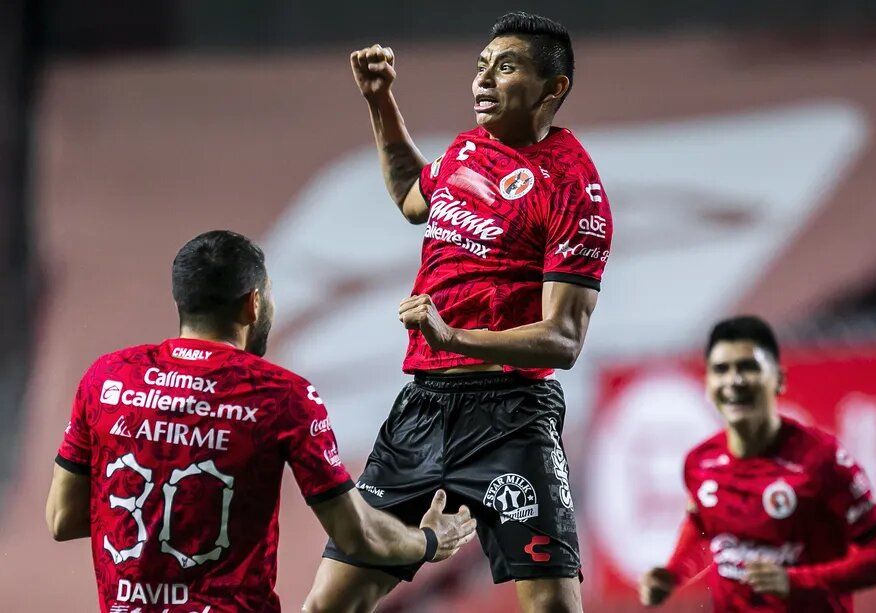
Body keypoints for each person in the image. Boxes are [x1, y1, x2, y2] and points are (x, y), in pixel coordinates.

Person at [305, 11, 613, 613]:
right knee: (328, 606)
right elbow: (410, 195)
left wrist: (453, 337)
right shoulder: (467, 149)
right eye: (481, 66)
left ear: (553, 89)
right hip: (422, 412)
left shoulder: (574, 187)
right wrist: (379, 100)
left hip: (511, 418)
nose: (484, 80)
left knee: (553, 606)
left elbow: (564, 340)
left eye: (507, 67)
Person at [45, 230, 476, 612]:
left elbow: (62, 518)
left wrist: (156, 513)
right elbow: (358, 536)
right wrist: (431, 540)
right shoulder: (282, 395)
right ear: (253, 303)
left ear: (182, 301)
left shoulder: (107, 377)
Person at [638, 316, 876, 612]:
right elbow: (703, 527)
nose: (734, 381)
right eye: (721, 369)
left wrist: (795, 582)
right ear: (708, 384)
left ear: (779, 379)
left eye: (748, 367)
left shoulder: (822, 460)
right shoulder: (700, 462)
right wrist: (674, 573)